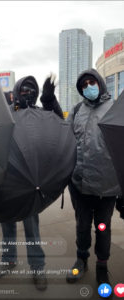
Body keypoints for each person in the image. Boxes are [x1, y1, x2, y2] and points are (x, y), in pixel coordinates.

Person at [0, 74, 63, 291]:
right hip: (6, 180)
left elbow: (59, 123)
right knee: (7, 225)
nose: (28, 93)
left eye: (32, 90)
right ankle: (8, 259)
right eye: (24, 89)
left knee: (31, 227)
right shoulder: (6, 113)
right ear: (16, 91)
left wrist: (49, 100)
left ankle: (37, 267)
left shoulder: (40, 114)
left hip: (31, 181)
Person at [66, 68, 122, 289]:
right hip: (79, 182)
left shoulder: (116, 109)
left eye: (92, 82)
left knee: (102, 226)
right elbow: (65, 141)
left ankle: (102, 266)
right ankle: (81, 260)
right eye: (84, 85)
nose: (88, 87)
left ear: (100, 82)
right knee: (81, 225)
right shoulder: (77, 110)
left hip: (107, 186)